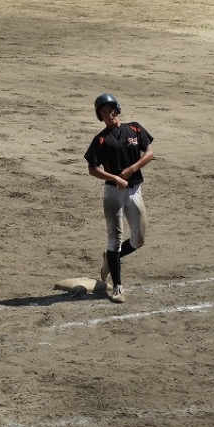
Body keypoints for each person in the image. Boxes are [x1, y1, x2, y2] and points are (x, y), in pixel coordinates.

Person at [84, 94, 154, 303]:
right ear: (100, 116)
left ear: (118, 109)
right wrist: (114, 178)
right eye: (104, 112)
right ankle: (118, 287)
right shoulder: (101, 139)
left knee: (139, 239)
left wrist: (132, 169)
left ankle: (110, 257)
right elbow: (92, 169)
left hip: (134, 190)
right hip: (113, 193)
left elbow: (149, 152)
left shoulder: (135, 129)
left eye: (112, 109)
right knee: (114, 239)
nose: (110, 114)